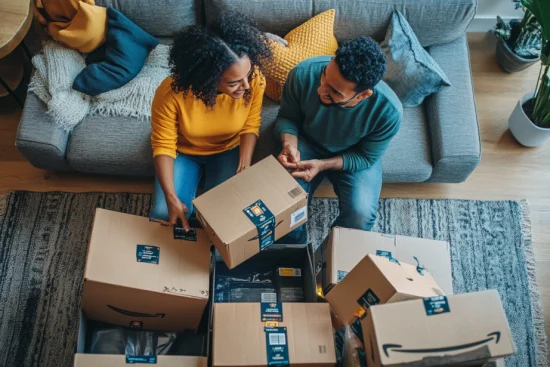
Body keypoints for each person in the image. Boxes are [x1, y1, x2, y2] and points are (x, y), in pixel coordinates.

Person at [150, 12, 272, 230]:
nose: (245, 86)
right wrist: (170, 196)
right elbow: (163, 146)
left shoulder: (254, 81)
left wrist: (244, 164)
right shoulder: (170, 94)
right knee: (164, 213)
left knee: (222, 218)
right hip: (183, 152)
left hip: (229, 149)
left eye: (248, 74)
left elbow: (250, 124)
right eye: (234, 82)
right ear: (207, 78)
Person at [275, 36, 402, 244]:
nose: (320, 89)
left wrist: (323, 165)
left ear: (363, 95)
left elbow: (365, 157)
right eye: (324, 75)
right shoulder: (302, 73)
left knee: (360, 215)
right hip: (306, 141)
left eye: (334, 91)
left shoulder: (389, 112)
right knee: (285, 205)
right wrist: (289, 144)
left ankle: (328, 258)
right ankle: (295, 252)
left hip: (354, 153)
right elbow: (287, 117)